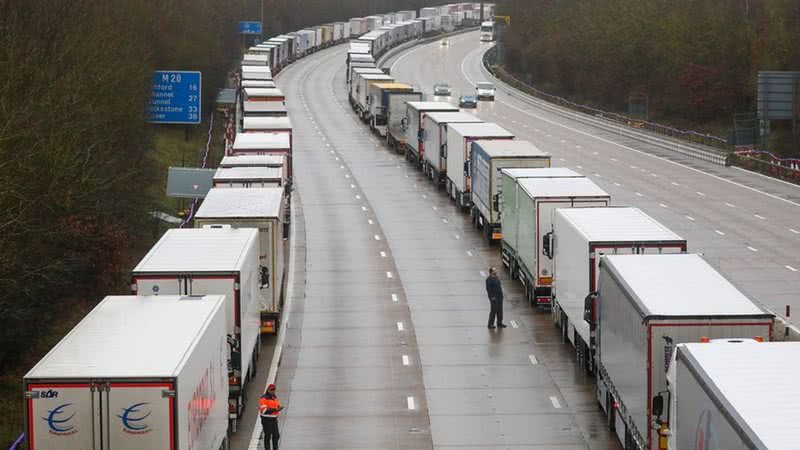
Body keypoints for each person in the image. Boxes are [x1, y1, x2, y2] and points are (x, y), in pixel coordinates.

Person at [259, 384, 283, 449]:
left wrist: (279, 408)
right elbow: (264, 411)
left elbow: (276, 406)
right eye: (271, 390)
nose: (273, 391)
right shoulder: (264, 398)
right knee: (268, 437)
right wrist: (275, 409)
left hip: (274, 420)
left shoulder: (274, 397)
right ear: (268, 390)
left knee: (276, 436)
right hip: (266, 420)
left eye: (274, 390)